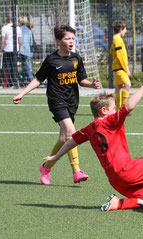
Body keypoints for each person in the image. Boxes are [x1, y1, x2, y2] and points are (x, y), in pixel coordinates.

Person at [43, 80, 143, 212]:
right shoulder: (110, 121)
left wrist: (55, 157)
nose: (115, 110)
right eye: (113, 108)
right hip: (127, 169)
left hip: (115, 179)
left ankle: (118, 203)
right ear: (104, 110)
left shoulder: (88, 129)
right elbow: (129, 106)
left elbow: (70, 142)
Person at [13, 25, 101, 185]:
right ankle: (77, 171)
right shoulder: (51, 60)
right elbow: (38, 79)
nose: (71, 41)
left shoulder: (76, 58)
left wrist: (91, 85)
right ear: (59, 41)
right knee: (71, 132)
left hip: (72, 101)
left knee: (63, 139)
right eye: (68, 39)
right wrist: (22, 93)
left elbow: (81, 79)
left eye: (73, 39)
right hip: (56, 100)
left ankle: (46, 167)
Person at [110, 20, 130, 110]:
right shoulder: (117, 39)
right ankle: (123, 108)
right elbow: (119, 55)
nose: (125, 31)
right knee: (127, 84)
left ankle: (118, 108)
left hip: (117, 67)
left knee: (118, 86)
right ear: (121, 29)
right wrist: (126, 69)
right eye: (125, 29)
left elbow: (111, 51)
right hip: (120, 68)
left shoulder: (115, 39)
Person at [0, 16, 22, 88]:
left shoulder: (4, 28)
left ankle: (7, 83)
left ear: (7, 20)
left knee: (7, 67)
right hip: (15, 50)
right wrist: (19, 49)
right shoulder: (18, 28)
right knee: (14, 67)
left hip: (7, 49)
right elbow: (20, 41)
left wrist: (0, 51)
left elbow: (2, 40)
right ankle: (15, 82)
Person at [19, 16, 34, 84]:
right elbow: (31, 42)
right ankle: (26, 80)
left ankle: (31, 80)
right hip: (28, 50)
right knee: (28, 65)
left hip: (21, 50)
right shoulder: (29, 30)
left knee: (25, 66)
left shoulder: (19, 29)